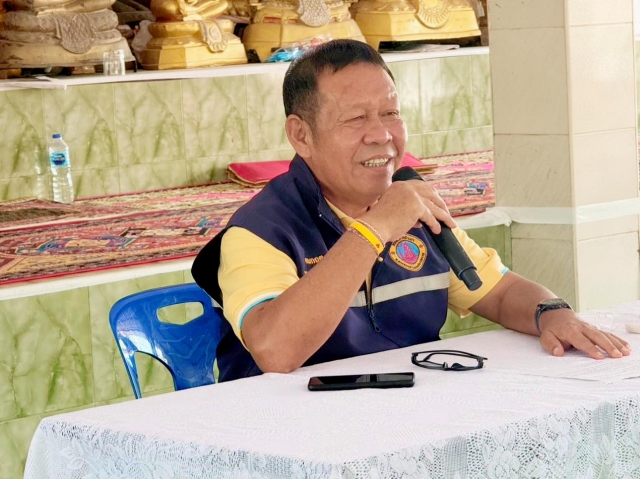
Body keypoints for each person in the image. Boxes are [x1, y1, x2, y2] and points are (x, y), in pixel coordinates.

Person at [192, 39, 631, 382]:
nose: (381, 135)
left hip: (402, 411)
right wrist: (374, 229)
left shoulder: (412, 206)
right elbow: (276, 351)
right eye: (355, 119)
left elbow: (497, 292)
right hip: (289, 428)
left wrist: (552, 312)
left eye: (390, 113)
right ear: (301, 135)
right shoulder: (261, 230)